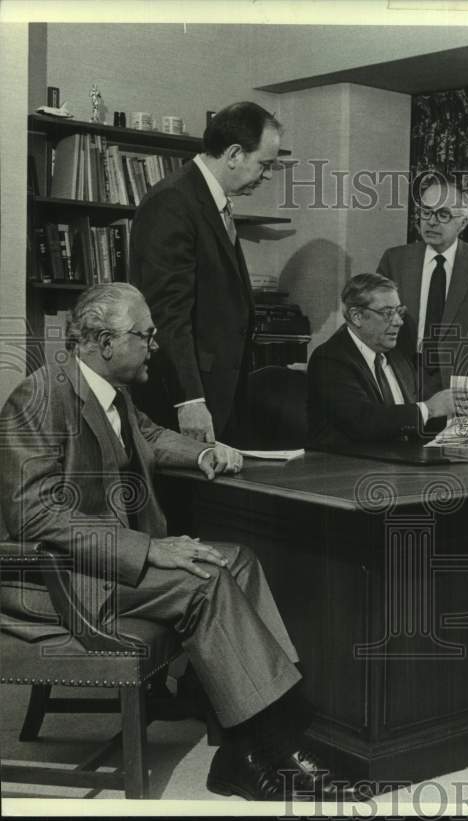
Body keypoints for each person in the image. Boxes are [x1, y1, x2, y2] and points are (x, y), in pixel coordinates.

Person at [0, 284, 357, 802]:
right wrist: (148, 550)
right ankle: (274, 740)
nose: (155, 344)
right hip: (54, 579)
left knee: (239, 560)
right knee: (206, 578)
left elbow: (147, 434)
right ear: (104, 341)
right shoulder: (38, 397)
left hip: (97, 565)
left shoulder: (110, 388)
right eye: (145, 335)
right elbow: (33, 515)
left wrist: (201, 454)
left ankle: (246, 746)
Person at [129, 101, 282, 445]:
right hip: (184, 401)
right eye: (265, 164)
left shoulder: (209, 201)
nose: (268, 175)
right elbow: (166, 313)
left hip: (218, 396)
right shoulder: (173, 201)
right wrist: (190, 400)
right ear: (234, 154)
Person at [376, 177, 468, 399]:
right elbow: (375, 326)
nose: (431, 222)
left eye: (443, 214)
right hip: (402, 377)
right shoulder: (395, 260)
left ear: (463, 222)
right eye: (426, 212)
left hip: (459, 385)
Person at [308, 273, 468, 449]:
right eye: (387, 313)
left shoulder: (398, 355)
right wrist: (429, 409)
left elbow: (416, 420)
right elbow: (362, 422)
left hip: (405, 465)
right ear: (356, 316)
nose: (399, 322)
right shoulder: (330, 359)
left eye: (399, 311)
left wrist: (466, 424)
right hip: (353, 469)